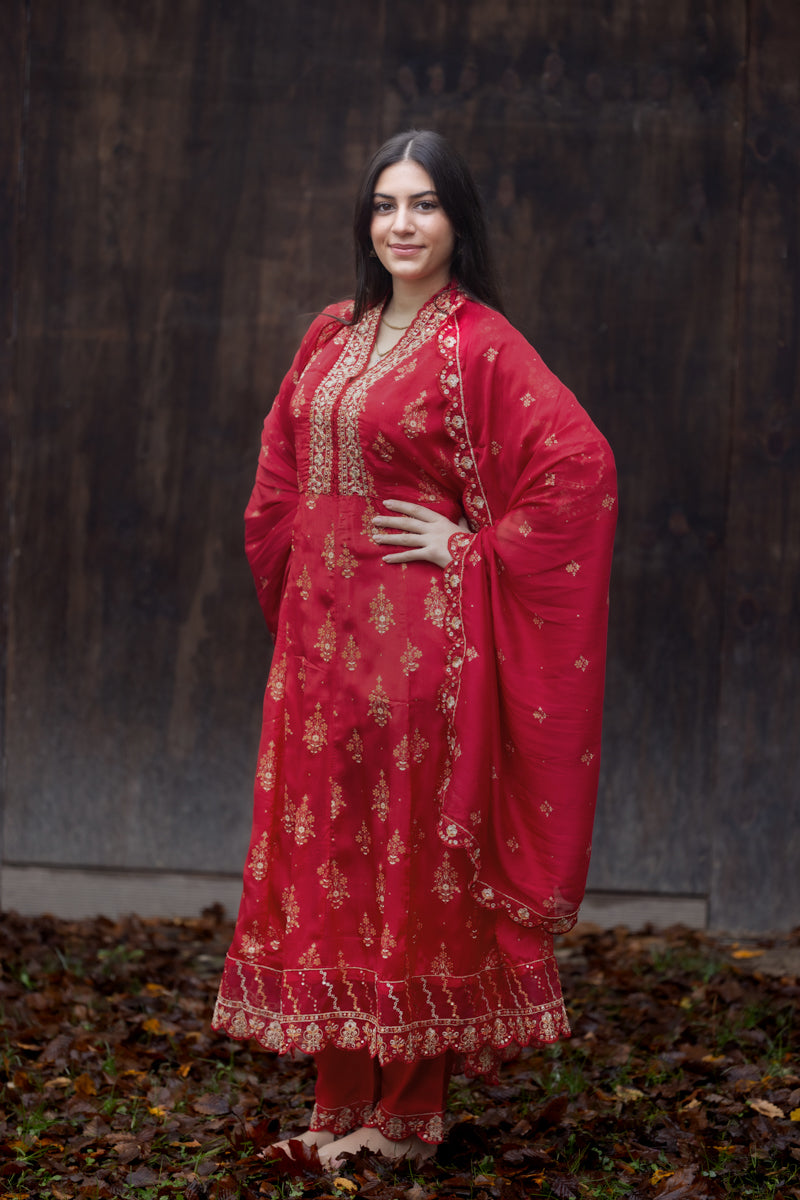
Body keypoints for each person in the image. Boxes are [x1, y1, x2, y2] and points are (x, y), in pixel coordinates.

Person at [212, 129, 617, 1169]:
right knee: (331, 861)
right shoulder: (329, 333)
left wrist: (469, 547)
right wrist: (302, 571)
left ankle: (402, 1122)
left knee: (407, 868)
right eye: (386, 203)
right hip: (316, 657)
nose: (402, 223)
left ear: (455, 222)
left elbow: (576, 466)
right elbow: (277, 474)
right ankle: (332, 1109)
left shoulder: (475, 343)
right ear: (365, 219)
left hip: (417, 650)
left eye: (425, 204)